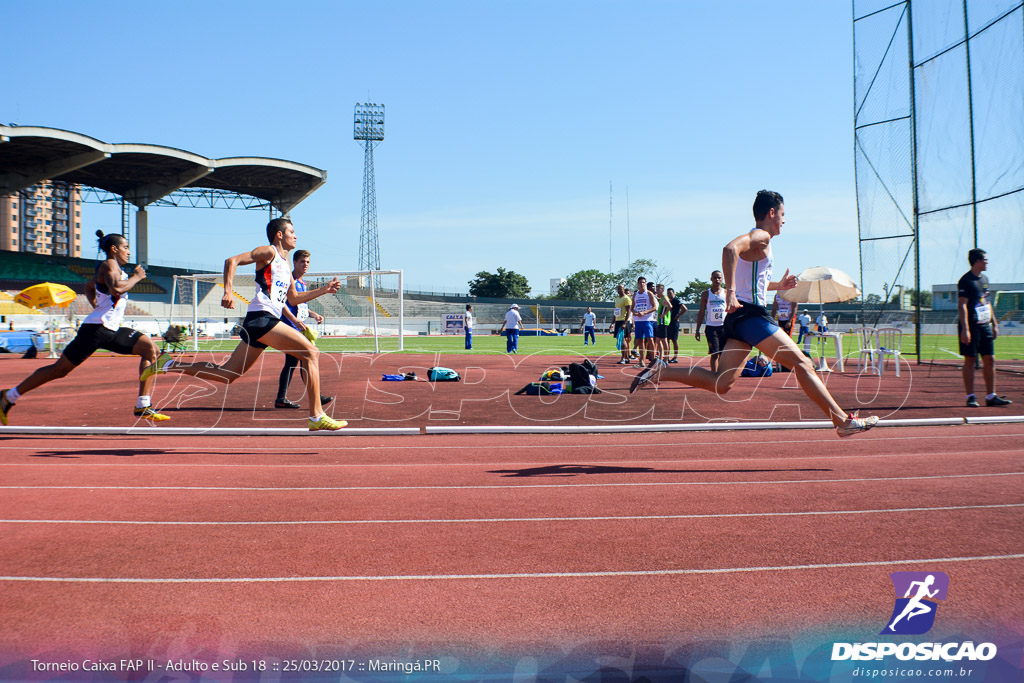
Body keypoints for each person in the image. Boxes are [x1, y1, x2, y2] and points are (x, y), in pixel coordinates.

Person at [630, 190, 878, 438]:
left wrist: (778, 286)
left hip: (739, 319)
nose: (784, 220)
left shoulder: (762, 245)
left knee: (722, 383)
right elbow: (729, 250)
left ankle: (663, 371)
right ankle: (843, 421)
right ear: (771, 213)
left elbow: (752, 282)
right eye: (782, 214)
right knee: (803, 363)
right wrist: (731, 293)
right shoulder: (761, 236)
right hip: (750, 316)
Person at [139, 218, 347, 431]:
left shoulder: (285, 265)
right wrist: (228, 290)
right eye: (292, 232)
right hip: (262, 318)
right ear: (279, 234)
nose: (295, 236)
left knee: (228, 374)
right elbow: (232, 261)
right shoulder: (268, 253)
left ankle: (167, 364)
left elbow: (293, 298)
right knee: (310, 353)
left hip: (263, 321)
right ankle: (316, 416)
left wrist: (324, 290)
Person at [1, 231, 170, 425]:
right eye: (125, 247)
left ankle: (143, 404)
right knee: (59, 370)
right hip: (96, 330)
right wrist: (138, 277)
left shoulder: (115, 269)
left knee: (151, 349)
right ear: (114, 249)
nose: (129, 252)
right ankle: (9, 396)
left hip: (109, 329)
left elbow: (89, 286)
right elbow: (117, 289)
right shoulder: (109, 265)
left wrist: (96, 304)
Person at [274, 249, 334, 410]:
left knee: (294, 362)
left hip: (297, 327)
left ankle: (282, 398)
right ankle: (315, 397)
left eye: (307, 262)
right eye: (302, 261)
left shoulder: (302, 282)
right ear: (294, 263)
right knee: (304, 359)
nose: (305, 264)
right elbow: (282, 304)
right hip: (289, 327)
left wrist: (313, 314)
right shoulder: (289, 280)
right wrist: (294, 320)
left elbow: (301, 305)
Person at [958, 248, 1011, 407]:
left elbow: (987, 303)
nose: (988, 262)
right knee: (970, 360)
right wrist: (965, 329)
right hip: (972, 326)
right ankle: (971, 397)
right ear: (978, 261)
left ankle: (990, 396)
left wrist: (994, 324)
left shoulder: (985, 279)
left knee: (990, 359)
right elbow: (962, 305)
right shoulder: (966, 281)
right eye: (985, 260)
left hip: (984, 326)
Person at [696, 270, 728, 372]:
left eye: (719, 278)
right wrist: (697, 329)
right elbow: (701, 312)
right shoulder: (706, 294)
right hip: (711, 327)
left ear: (722, 279)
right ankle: (714, 376)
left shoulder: (726, 293)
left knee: (723, 354)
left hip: (723, 327)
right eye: (715, 277)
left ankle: (722, 375)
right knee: (714, 353)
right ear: (711, 279)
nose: (717, 280)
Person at [631, 277, 657, 366]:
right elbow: (632, 307)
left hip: (647, 320)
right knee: (640, 341)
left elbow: (654, 307)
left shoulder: (649, 294)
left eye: (643, 282)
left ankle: (653, 361)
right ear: (638, 284)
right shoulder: (635, 295)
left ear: (645, 284)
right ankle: (641, 361)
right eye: (640, 282)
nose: (642, 284)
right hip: (638, 321)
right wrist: (634, 312)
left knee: (650, 339)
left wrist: (645, 312)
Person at [612, 284, 633, 364]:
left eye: (621, 289)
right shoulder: (617, 299)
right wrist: (612, 322)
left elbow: (629, 311)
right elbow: (616, 311)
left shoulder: (626, 299)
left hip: (623, 321)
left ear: (624, 289)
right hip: (618, 321)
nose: (619, 290)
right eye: (618, 289)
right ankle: (626, 357)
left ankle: (623, 358)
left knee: (623, 339)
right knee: (620, 339)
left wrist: (625, 322)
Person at [666, 287, 686, 363]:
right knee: (667, 340)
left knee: (674, 340)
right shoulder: (667, 301)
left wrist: (678, 316)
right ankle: (667, 356)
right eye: (668, 293)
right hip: (668, 322)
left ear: (673, 293)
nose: (669, 294)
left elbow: (684, 308)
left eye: (670, 293)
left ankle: (675, 357)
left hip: (674, 323)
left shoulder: (677, 301)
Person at [653, 283, 672, 361]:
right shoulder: (661, 298)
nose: (657, 291)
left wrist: (664, 314)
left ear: (662, 290)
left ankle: (666, 358)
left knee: (664, 340)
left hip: (663, 321)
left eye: (658, 289)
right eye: (656, 289)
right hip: (659, 322)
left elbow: (670, 306)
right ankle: (660, 357)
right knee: (658, 340)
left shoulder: (665, 298)